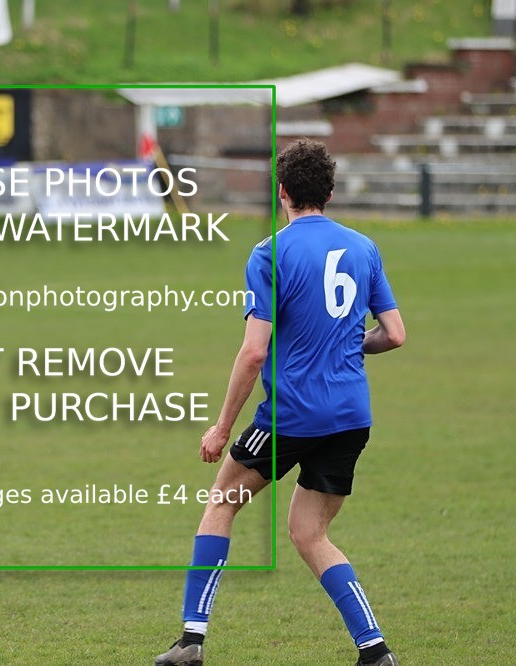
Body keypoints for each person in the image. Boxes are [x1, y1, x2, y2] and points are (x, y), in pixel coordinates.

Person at [155, 139, 405, 666]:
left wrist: (222, 427)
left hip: (292, 414)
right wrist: (345, 345)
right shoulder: (364, 248)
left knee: (221, 504)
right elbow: (395, 334)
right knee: (310, 533)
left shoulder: (270, 253)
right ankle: (375, 650)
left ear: (282, 191)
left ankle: (191, 641)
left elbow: (253, 353)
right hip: (351, 416)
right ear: (330, 194)